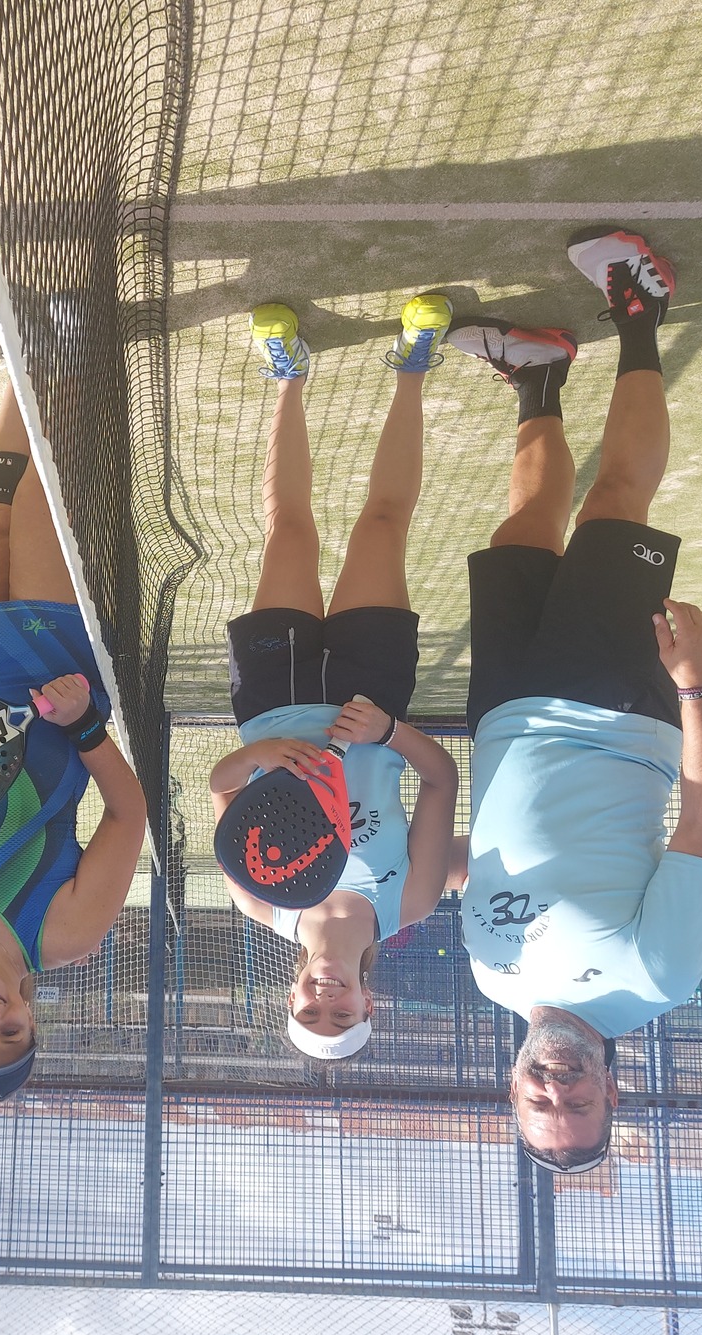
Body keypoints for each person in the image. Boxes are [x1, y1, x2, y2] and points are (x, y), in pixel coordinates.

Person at [448, 229, 702, 1174]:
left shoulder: (493, 981)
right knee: (614, 504)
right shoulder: (656, 978)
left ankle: (538, 376)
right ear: (614, 1090)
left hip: (503, 717)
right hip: (614, 712)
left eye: (541, 1103)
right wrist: (696, 685)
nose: (556, 1087)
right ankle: (640, 306)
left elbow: (485, 865)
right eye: (577, 1103)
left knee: (522, 533)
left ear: (512, 1088)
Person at [208, 298, 463, 1062]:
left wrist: (266, 753)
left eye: (311, 1013)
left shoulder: (262, 903)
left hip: (272, 697)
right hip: (370, 695)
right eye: (341, 1014)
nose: (327, 1000)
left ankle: (288, 379)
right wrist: (388, 731)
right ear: (368, 1002)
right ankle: (414, 366)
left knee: (289, 531)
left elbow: (222, 786)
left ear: (289, 997)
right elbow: (441, 780)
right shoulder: (411, 900)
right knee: (382, 526)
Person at [0, 380, 147, 1100]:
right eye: (10, 1035)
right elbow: (129, 815)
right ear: (33, 1023)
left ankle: (19, 367)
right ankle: (60, 353)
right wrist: (84, 725)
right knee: (43, 492)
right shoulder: (66, 936)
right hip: (52, 685)